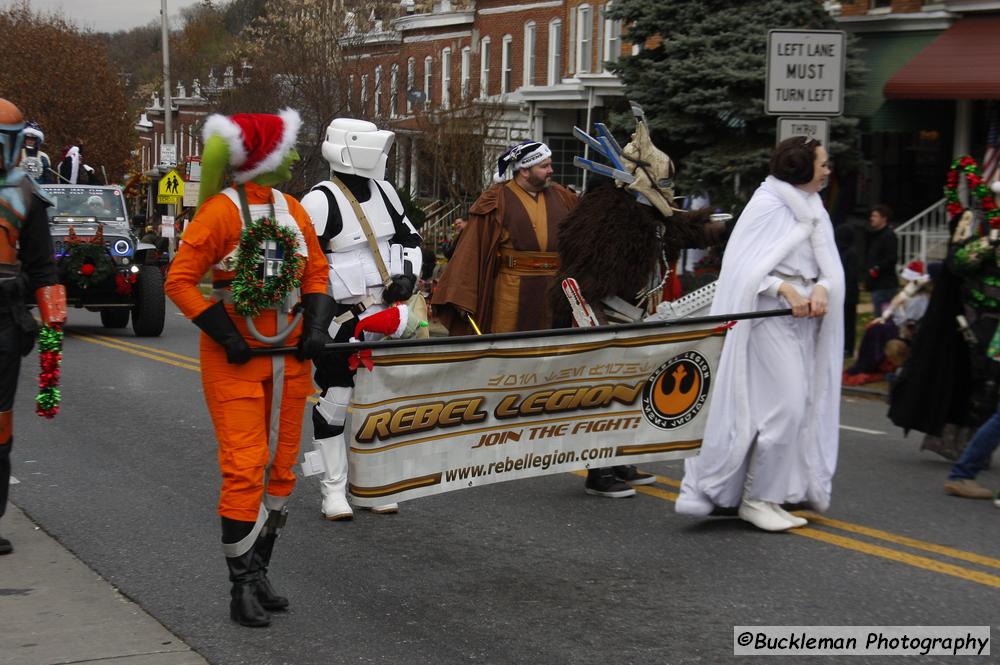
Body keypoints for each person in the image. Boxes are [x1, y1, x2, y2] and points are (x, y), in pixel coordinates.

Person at [164, 109, 332, 627]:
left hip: (289, 363)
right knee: (245, 464)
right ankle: (239, 588)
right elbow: (180, 281)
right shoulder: (218, 213)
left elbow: (317, 273)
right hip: (236, 361)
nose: (299, 157)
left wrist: (317, 327)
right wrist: (228, 336)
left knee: (282, 468)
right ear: (266, 157)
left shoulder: (294, 210)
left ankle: (259, 572)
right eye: (290, 148)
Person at [676, 136, 844, 532]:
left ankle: (767, 494)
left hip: (803, 323)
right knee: (784, 408)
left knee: (795, 406)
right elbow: (741, 268)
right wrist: (782, 288)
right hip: (766, 319)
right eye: (822, 164)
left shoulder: (814, 207)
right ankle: (756, 498)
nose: (827, 171)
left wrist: (823, 288)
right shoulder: (767, 204)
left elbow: (829, 268)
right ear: (801, 167)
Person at [551, 118, 727, 498]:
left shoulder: (647, 211)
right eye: (663, 181)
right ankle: (598, 471)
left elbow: (683, 227)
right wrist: (594, 331)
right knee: (602, 395)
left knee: (629, 393)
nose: (669, 189)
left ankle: (617, 460)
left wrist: (720, 229)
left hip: (634, 317)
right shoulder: (604, 216)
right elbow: (577, 282)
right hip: (601, 320)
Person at [299, 118, 424, 522]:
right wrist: (315, 322)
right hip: (341, 320)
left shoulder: (386, 192)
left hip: (388, 316)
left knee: (380, 403)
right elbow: (306, 266)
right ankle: (333, 489)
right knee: (336, 401)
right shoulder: (321, 200)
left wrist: (407, 276)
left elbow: (410, 239)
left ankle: (374, 483)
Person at [0, 98, 66, 555]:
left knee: (0, 420)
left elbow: (44, 269)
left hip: (4, 318)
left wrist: (52, 330)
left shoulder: (25, 193)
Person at [432, 141, 578, 335]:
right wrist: (462, 293)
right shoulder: (497, 199)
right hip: (510, 290)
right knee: (507, 344)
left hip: (554, 290)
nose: (551, 170)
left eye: (550, 164)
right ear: (524, 170)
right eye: (544, 166)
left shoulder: (563, 197)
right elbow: (471, 249)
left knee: (549, 346)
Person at [844, 260, 931, 384]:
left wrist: (896, 311)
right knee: (874, 327)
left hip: (905, 331)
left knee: (876, 331)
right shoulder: (910, 296)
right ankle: (866, 363)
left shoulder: (919, 300)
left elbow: (908, 322)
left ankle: (869, 364)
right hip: (899, 325)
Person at [864, 204, 898, 317]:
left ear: (884, 218)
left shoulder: (889, 236)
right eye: (872, 216)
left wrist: (876, 268)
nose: (871, 218)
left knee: (882, 317)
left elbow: (891, 258)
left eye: (875, 216)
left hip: (885, 285)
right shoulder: (875, 235)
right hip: (876, 284)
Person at [835, 223, 859, 357]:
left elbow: (851, 275)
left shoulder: (851, 253)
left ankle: (848, 348)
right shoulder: (839, 251)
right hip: (842, 293)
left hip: (848, 295)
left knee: (849, 322)